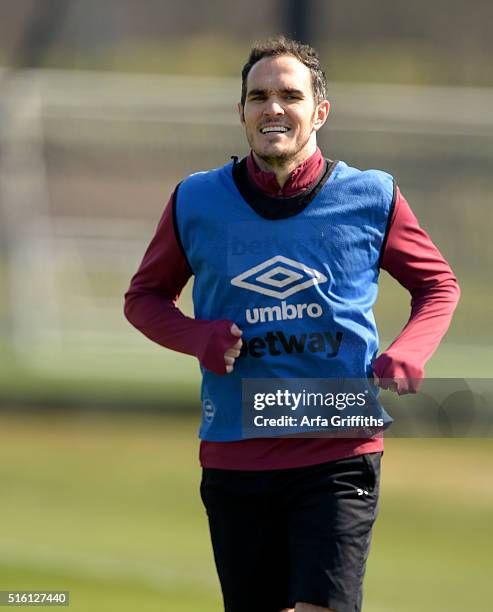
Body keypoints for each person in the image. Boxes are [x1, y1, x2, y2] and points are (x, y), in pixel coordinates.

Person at [124, 36, 460, 612]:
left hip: (338, 442)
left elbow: (438, 285)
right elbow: (144, 298)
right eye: (258, 97)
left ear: (319, 111)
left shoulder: (372, 196)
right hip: (235, 445)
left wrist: (412, 349)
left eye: (289, 95)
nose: (272, 108)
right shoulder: (195, 200)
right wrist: (197, 336)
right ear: (242, 114)